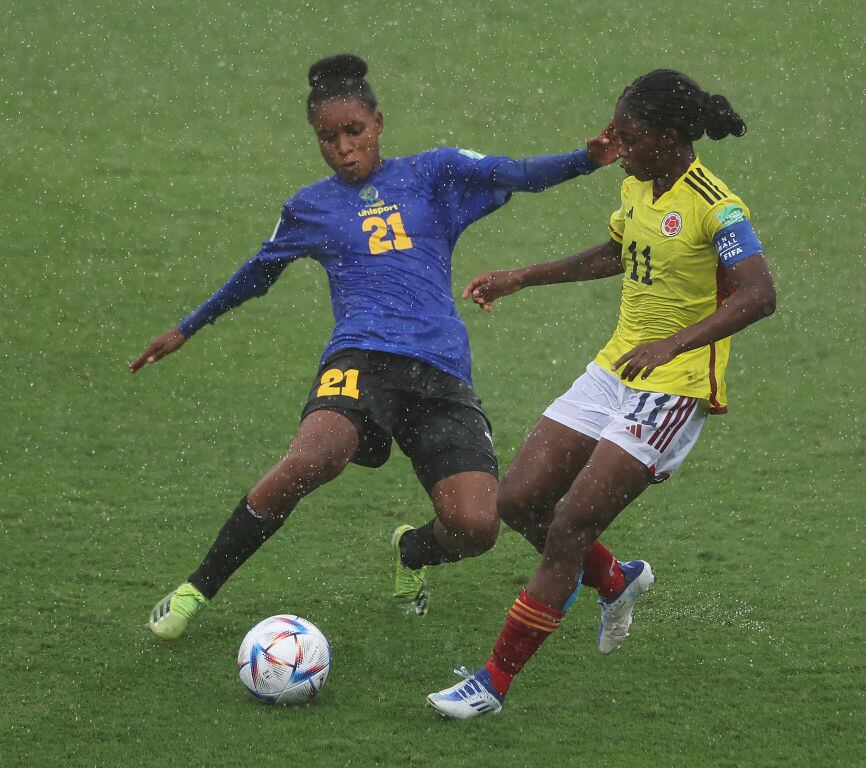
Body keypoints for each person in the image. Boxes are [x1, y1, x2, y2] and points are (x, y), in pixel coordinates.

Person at [133, 53, 619, 640]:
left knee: (476, 526)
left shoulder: (433, 173)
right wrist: (186, 327)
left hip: (441, 371)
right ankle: (197, 588)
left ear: (379, 123)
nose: (342, 147)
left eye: (354, 131)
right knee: (315, 456)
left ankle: (411, 552)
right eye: (327, 138)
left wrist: (586, 160)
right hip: (360, 358)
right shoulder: (310, 206)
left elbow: (515, 173)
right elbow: (257, 274)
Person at [427, 68, 777, 718]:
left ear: (670, 138)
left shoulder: (717, 206)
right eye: (616, 132)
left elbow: (760, 294)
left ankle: (492, 685)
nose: (617, 146)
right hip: (615, 370)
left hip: (670, 389)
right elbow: (618, 253)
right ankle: (616, 580)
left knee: (569, 525)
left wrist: (673, 345)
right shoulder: (637, 185)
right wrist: (522, 277)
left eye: (630, 136)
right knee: (521, 500)